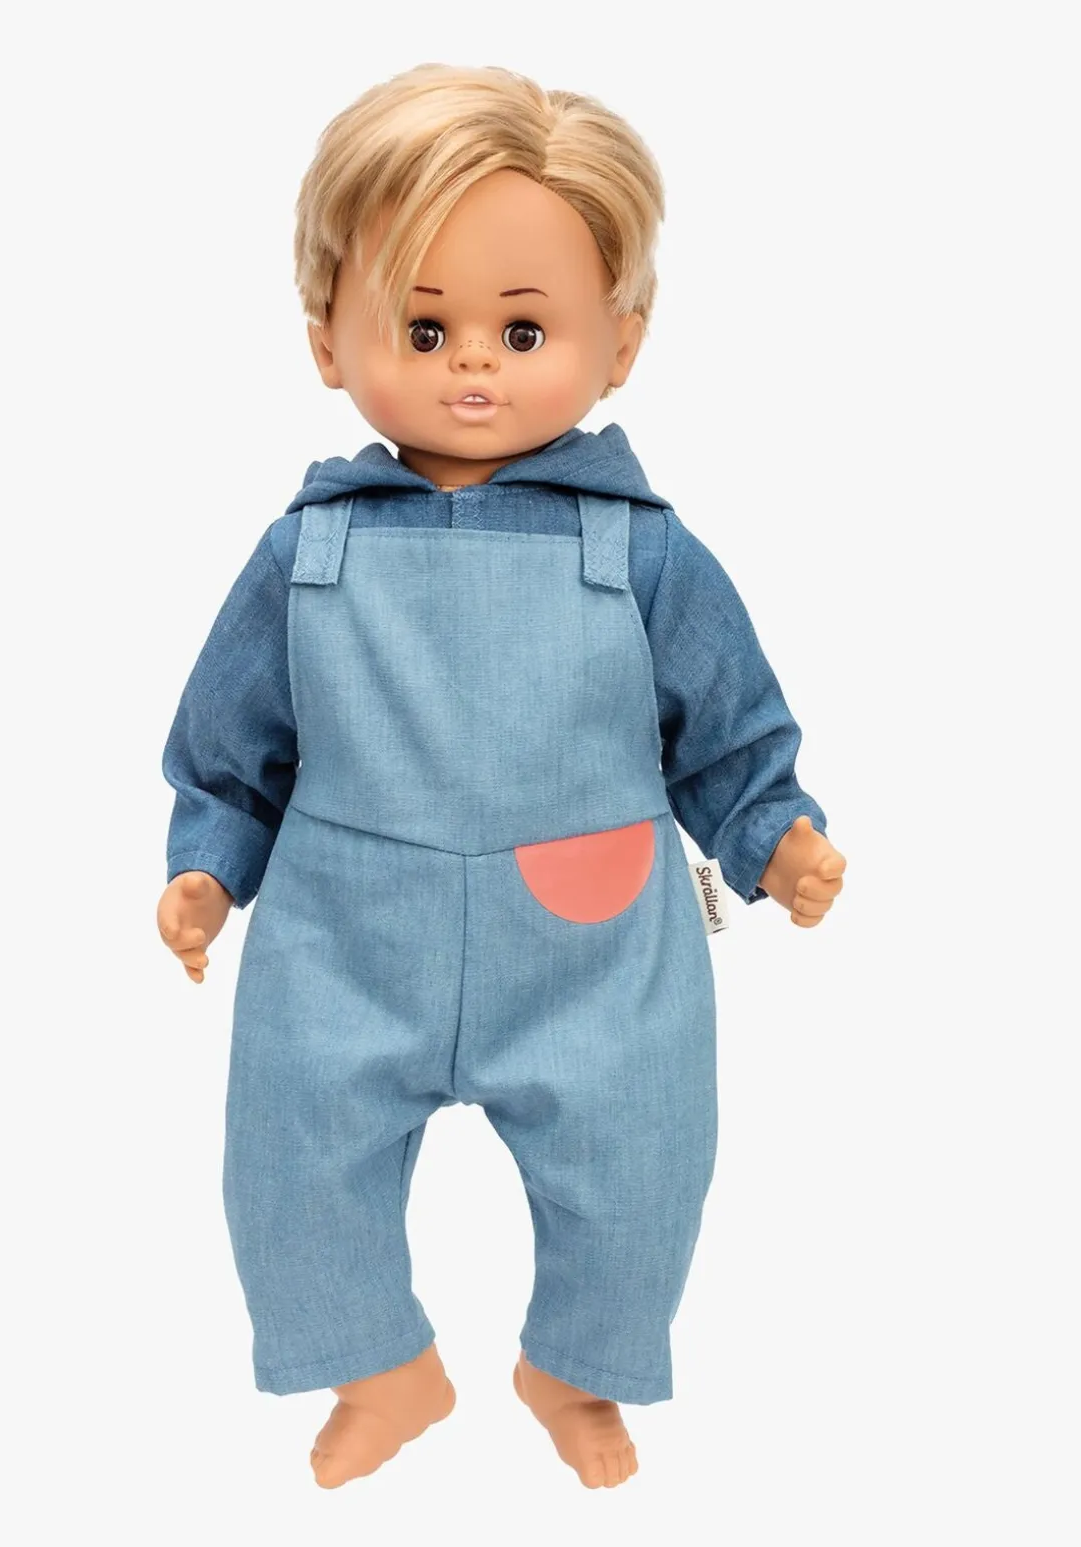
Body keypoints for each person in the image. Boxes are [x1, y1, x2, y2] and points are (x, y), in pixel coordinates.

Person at [157, 62, 846, 1491]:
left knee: (642, 1163)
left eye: (524, 330)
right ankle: (380, 1368)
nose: (473, 365)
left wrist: (776, 835)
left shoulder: (642, 548)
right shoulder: (307, 550)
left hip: (593, 942)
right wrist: (207, 868)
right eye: (424, 328)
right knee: (289, 1163)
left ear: (621, 344)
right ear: (326, 338)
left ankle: (577, 1366)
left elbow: (726, 728)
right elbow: (233, 741)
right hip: (345, 932)